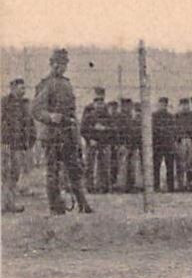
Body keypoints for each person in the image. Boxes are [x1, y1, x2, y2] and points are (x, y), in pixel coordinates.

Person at [31, 49, 92, 214]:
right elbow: (36, 110)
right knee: (53, 172)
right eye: (58, 64)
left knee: (75, 169)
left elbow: (72, 113)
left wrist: (77, 133)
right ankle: (56, 208)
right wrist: (50, 117)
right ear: (52, 64)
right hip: (53, 136)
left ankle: (83, 204)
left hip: (68, 134)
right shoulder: (46, 84)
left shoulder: (66, 83)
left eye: (64, 64)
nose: (62, 67)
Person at [3, 76, 35, 212]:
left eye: (24, 88)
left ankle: (9, 203)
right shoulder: (4, 103)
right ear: (13, 88)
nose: (24, 90)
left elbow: (30, 124)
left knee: (14, 174)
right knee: (5, 174)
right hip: (6, 144)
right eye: (21, 88)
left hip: (20, 146)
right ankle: (6, 203)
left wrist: (31, 140)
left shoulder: (25, 104)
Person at [80, 88, 114, 192]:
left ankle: (103, 186)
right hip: (92, 142)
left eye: (101, 100)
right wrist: (89, 139)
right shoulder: (88, 111)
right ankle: (90, 187)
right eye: (97, 100)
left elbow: (112, 127)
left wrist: (105, 129)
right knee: (90, 165)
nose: (99, 103)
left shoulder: (107, 111)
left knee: (104, 165)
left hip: (103, 142)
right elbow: (83, 128)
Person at [152, 96, 177, 191]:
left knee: (170, 166)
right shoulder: (154, 116)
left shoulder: (170, 117)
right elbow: (153, 130)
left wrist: (172, 141)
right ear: (158, 104)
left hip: (168, 144)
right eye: (161, 104)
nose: (163, 106)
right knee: (156, 166)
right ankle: (156, 186)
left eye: (164, 104)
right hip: (157, 144)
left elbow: (173, 129)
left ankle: (171, 187)